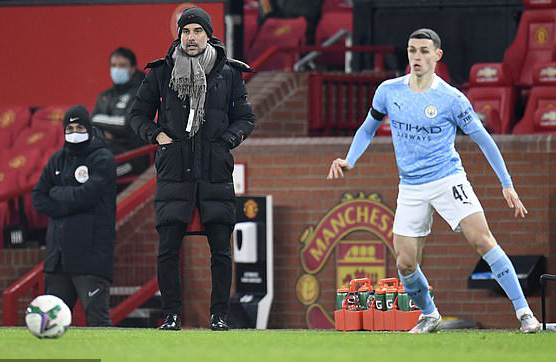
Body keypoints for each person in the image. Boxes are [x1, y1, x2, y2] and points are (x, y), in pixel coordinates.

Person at [327, 28, 541, 334]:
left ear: (437, 56)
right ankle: (430, 315)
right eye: (413, 50)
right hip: (410, 186)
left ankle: (524, 313)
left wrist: (506, 183)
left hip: (447, 179)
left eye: (424, 51)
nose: (417, 56)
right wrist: (350, 160)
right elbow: (367, 129)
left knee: (482, 239)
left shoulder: (451, 99)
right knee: (405, 263)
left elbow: (484, 140)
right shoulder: (389, 91)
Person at [128, 7, 255, 331]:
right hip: (174, 171)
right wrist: (158, 136)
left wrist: (226, 141)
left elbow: (245, 118)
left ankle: (219, 316)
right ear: (179, 35)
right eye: (186, 31)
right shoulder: (159, 72)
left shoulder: (228, 73)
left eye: (198, 31)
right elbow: (137, 115)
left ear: (208, 35)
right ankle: (171, 315)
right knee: (168, 249)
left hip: (215, 171)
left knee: (221, 251)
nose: (191, 37)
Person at [32, 105, 116, 327]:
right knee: (52, 325)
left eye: (79, 127)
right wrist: (66, 204)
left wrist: (57, 193)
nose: (74, 131)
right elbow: (38, 197)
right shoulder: (57, 159)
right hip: (57, 258)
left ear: (88, 128)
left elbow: (87, 196)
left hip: (91, 257)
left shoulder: (103, 159)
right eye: (69, 128)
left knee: (98, 320)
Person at [92, 47, 148, 183]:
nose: (117, 70)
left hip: (133, 156)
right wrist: (108, 127)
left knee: (100, 179)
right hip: (107, 150)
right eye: (114, 65)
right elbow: (90, 124)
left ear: (133, 68)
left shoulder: (143, 91)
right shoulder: (105, 95)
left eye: (122, 66)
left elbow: (126, 124)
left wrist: (98, 120)